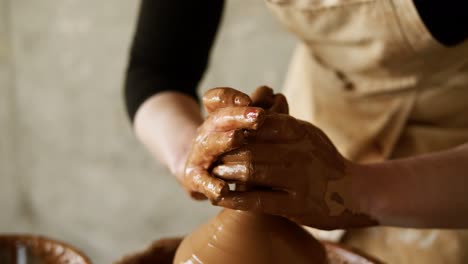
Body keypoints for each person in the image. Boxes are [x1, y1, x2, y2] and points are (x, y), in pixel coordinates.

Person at [124, 1, 468, 263]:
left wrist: (351, 189)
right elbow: (157, 71)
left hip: (444, 177)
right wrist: (191, 151)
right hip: (312, 131)